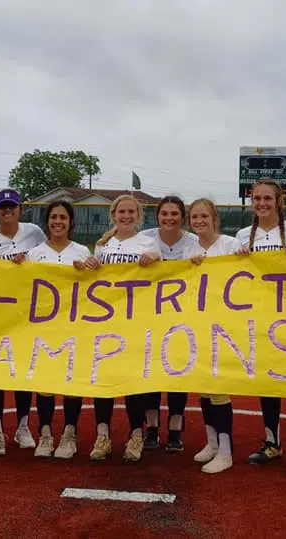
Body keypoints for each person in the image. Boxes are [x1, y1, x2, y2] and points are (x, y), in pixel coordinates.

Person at [82, 194, 161, 462]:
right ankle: (102, 435)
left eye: (131, 212)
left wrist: (153, 259)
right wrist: (92, 264)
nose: (126, 216)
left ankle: (136, 435)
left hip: (137, 321)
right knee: (103, 379)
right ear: (113, 215)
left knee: (133, 380)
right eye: (121, 212)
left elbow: (161, 273)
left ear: (139, 216)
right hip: (106, 322)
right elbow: (94, 280)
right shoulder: (103, 245)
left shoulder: (149, 242)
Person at [233, 180, 286, 466]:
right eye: (256, 198)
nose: (261, 203)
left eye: (267, 198)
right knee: (268, 382)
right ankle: (272, 441)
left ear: (278, 202)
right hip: (258, 318)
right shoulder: (241, 236)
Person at [0, 188, 47, 456]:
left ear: (20, 209)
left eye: (12, 207)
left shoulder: (34, 233)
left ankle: (23, 426)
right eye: (3, 207)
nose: (7, 211)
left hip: (27, 312)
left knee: (23, 370)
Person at [23, 200, 93, 459]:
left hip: (74, 327)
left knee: (71, 382)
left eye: (63, 217)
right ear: (47, 221)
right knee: (44, 384)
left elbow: (93, 289)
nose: (58, 222)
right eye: (53, 217)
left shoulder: (83, 251)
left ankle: (69, 434)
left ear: (70, 222)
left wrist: (90, 270)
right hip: (45, 327)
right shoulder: (34, 253)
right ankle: (45, 434)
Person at [139, 195, 199, 451]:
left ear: (182, 217)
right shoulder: (145, 239)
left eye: (174, 214)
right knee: (151, 371)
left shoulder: (194, 242)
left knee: (177, 371)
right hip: (150, 315)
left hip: (183, 315)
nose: (169, 218)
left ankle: (175, 427)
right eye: (164, 214)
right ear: (157, 216)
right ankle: (151, 426)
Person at [184, 198, 240, 474]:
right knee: (204, 385)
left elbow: (247, 271)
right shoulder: (188, 248)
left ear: (214, 217)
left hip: (224, 324)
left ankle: (226, 450)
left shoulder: (230, 245)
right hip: (197, 324)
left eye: (204, 216)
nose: (199, 221)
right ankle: (212, 443)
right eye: (195, 217)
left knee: (219, 388)